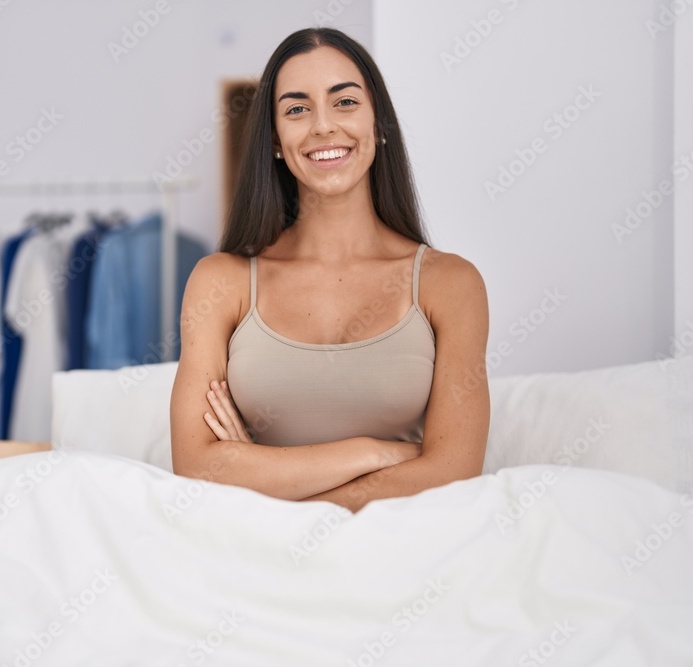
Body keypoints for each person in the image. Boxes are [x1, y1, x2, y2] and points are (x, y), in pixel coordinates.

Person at [169, 27, 489, 513]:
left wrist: (260, 471)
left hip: (408, 557)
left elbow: (452, 473)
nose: (323, 127)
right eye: (297, 109)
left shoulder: (451, 285)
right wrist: (372, 452)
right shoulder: (220, 281)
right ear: (276, 140)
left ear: (378, 123)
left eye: (345, 102)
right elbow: (197, 465)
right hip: (257, 554)